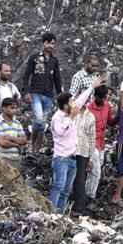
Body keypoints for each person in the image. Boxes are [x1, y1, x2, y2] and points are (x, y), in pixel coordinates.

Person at [22, 32, 62, 153]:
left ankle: (36, 151)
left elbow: (57, 79)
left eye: (53, 43)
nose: (50, 45)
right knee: (39, 120)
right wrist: (27, 92)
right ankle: (32, 146)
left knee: (42, 125)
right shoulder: (34, 58)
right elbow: (26, 75)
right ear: (43, 43)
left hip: (49, 96)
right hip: (36, 94)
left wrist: (60, 95)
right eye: (48, 43)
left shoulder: (54, 61)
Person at [69, 84, 99, 214]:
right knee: (68, 178)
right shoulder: (70, 113)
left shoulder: (90, 116)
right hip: (69, 151)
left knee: (80, 179)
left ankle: (79, 207)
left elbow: (92, 138)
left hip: (83, 151)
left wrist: (91, 158)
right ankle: (66, 204)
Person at [49, 92, 78, 213]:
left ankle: (59, 215)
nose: (75, 103)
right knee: (58, 187)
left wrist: (92, 87)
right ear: (66, 106)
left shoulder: (69, 114)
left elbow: (81, 100)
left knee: (66, 191)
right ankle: (51, 214)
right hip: (61, 158)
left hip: (72, 158)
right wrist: (71, 118)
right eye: (72, 101)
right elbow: (60, 132)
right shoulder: (57, 118)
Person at [85, 84, 115, 201]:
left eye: (105, 98)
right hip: (92, 143)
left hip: (102, 143)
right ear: (95, 96)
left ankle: (86, 192)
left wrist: (119, 114)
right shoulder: (89, 109)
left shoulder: (107, 106)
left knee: (95, 170)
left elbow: (110, 123)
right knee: (96, 171)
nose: (103, 100)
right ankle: (90, 197)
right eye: (101, 98)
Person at [0, 98, 27, 170]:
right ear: (4, 108)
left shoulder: (17, 123)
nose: (15, 110)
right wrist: (17, 144)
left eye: (16, 108)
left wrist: (10, 138)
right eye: (12, 108)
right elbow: (2, 143)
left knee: (16, 180)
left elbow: (24, 140)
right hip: (2, 159)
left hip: (16, 159)